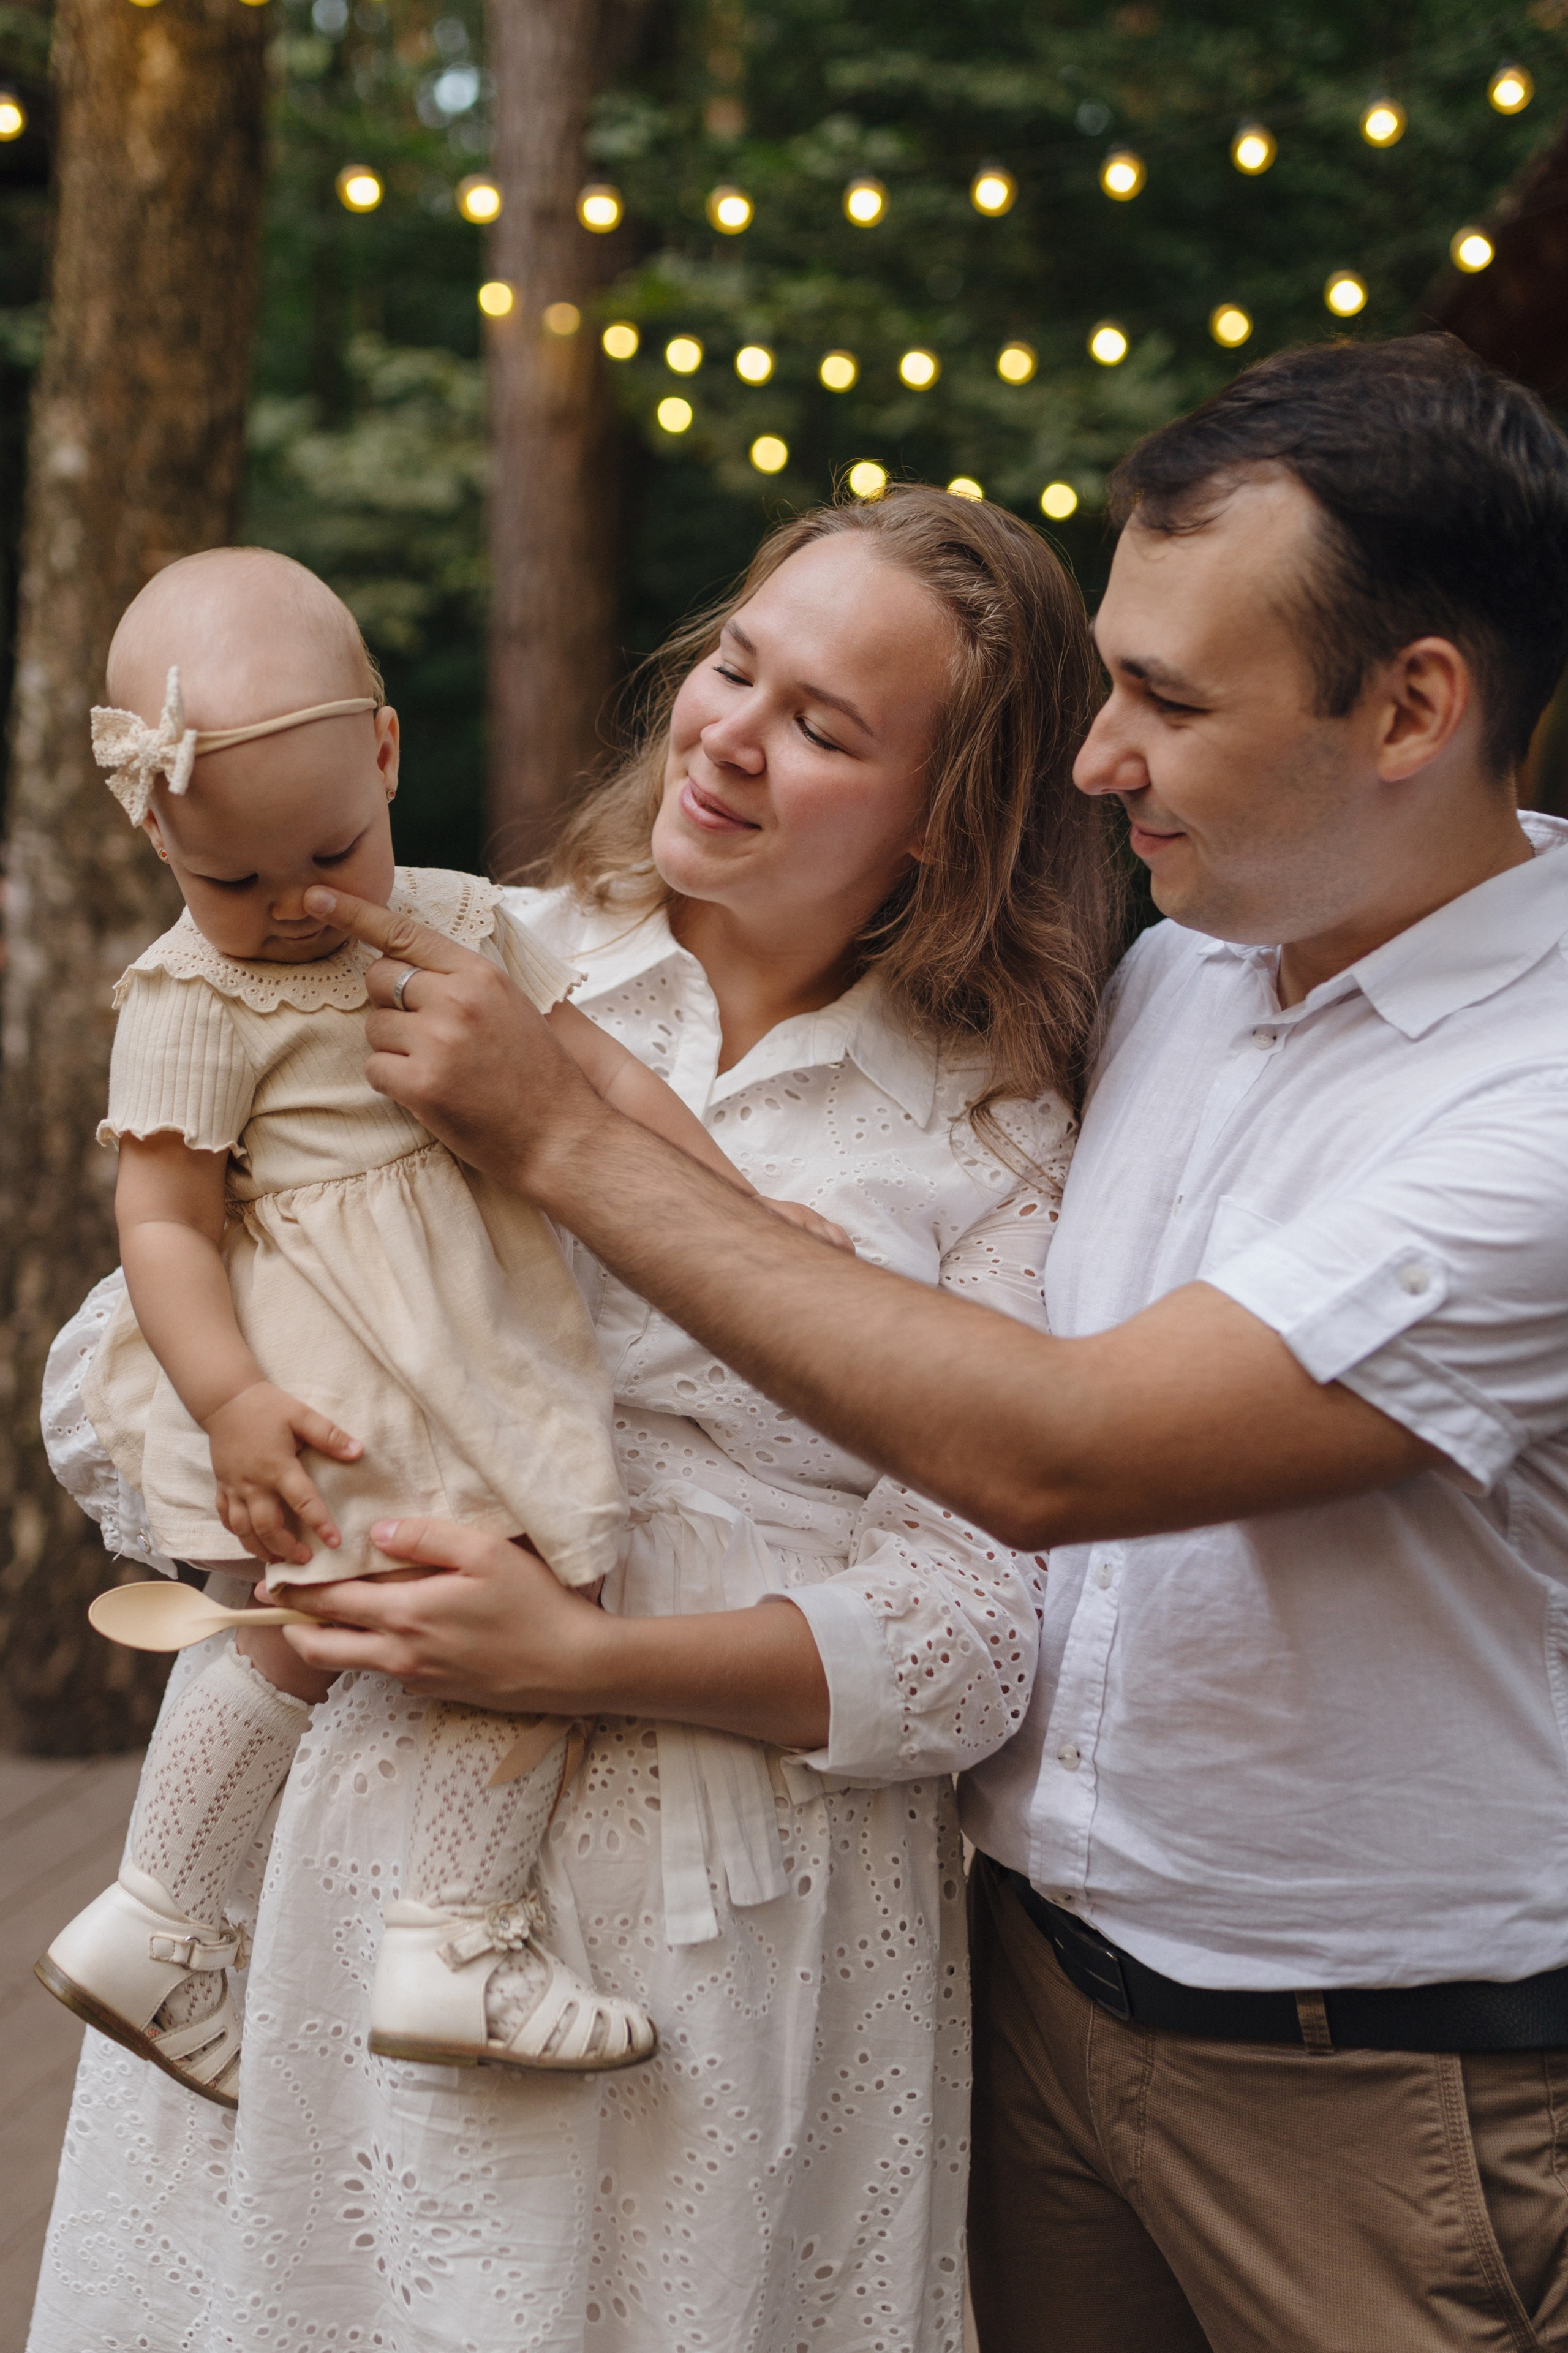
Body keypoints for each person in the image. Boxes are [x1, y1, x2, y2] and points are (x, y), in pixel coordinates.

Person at [262, 336, 1568, 2352]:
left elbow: (1060, 1451)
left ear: (1412, 705)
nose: (1094, 754)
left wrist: (563, 1140)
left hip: (1380, 2083)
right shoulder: (1183, 977)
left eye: (1168, 697)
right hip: (1020, 2004)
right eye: (1108, 672)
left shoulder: (1536, 1111)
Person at [29, 485, 1120, 2351]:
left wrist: (584, 1653)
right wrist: (285, 1506)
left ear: (954, 816)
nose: (729, 733)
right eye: (735, 664)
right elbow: (109, 1358)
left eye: (823, 725)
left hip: (731, 1925)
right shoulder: (450, 951)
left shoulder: (1004, 1134)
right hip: (354, 1839)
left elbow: (972, 1639)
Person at [38, 545, 857, 2107]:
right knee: (525, 1571)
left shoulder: (467, 924)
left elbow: (606, 1091)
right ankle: (453, 1936)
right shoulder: (192, 999)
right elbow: (160, 1221)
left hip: (442, 1331)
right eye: (230, 881)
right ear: (152, 831)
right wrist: (226, 1403)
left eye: (331, 857)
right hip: (335, 1363)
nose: (292, 910)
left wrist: (740, 1221)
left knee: (290, 1634)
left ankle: (159, 1919)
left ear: (390, 756)